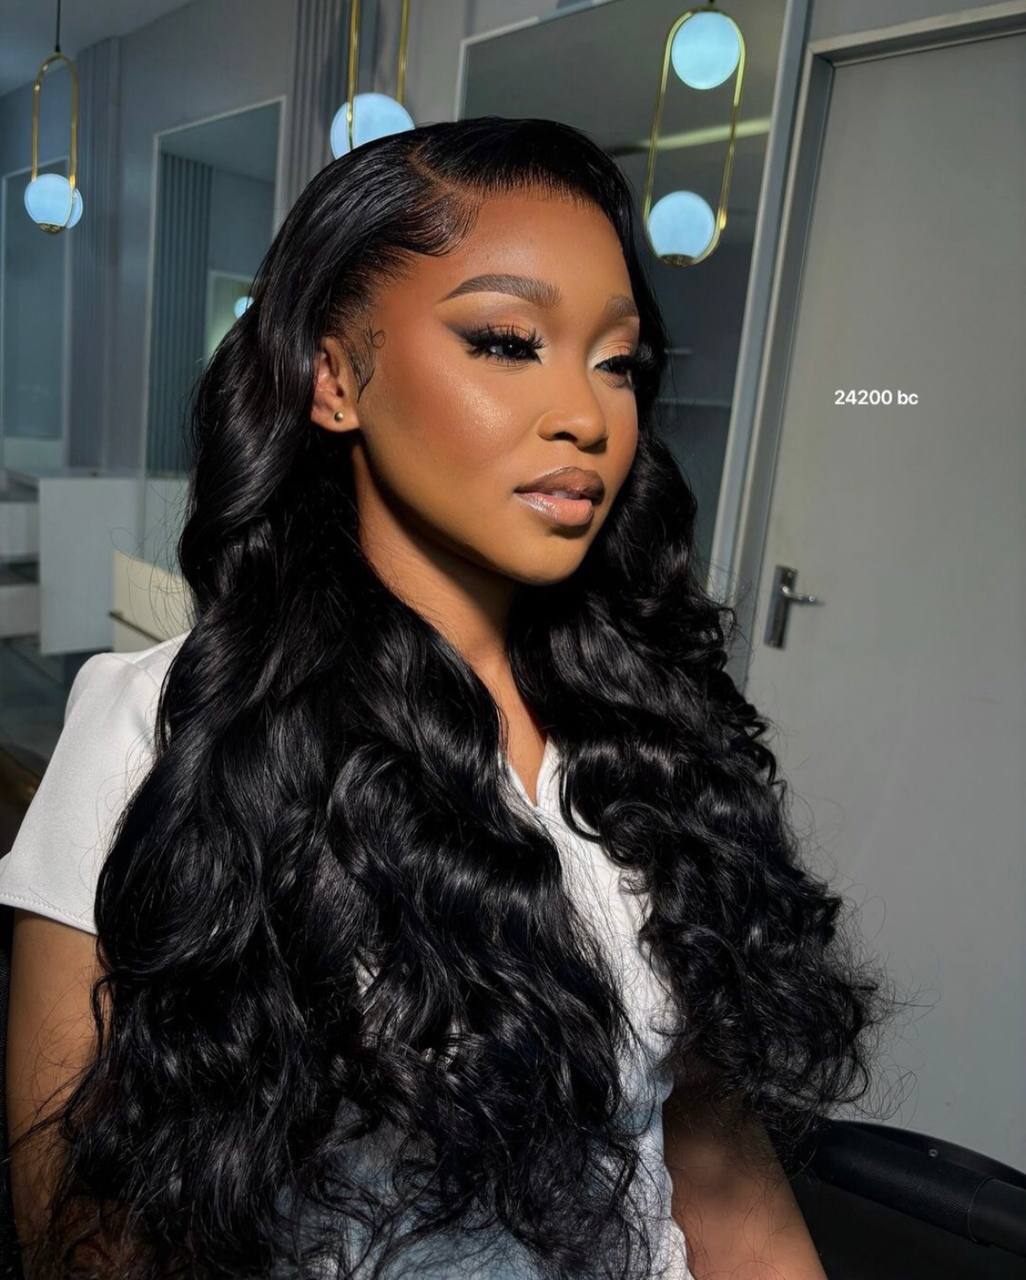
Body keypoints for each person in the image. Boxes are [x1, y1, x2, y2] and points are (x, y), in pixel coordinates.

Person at [1, 116, 897, 1279]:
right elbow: (83, 1234)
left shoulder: (650, 730)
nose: (588, 416)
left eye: (617, 361)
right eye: (508, 341)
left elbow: (711, 1156)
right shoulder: (158, 729)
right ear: (334, 378)